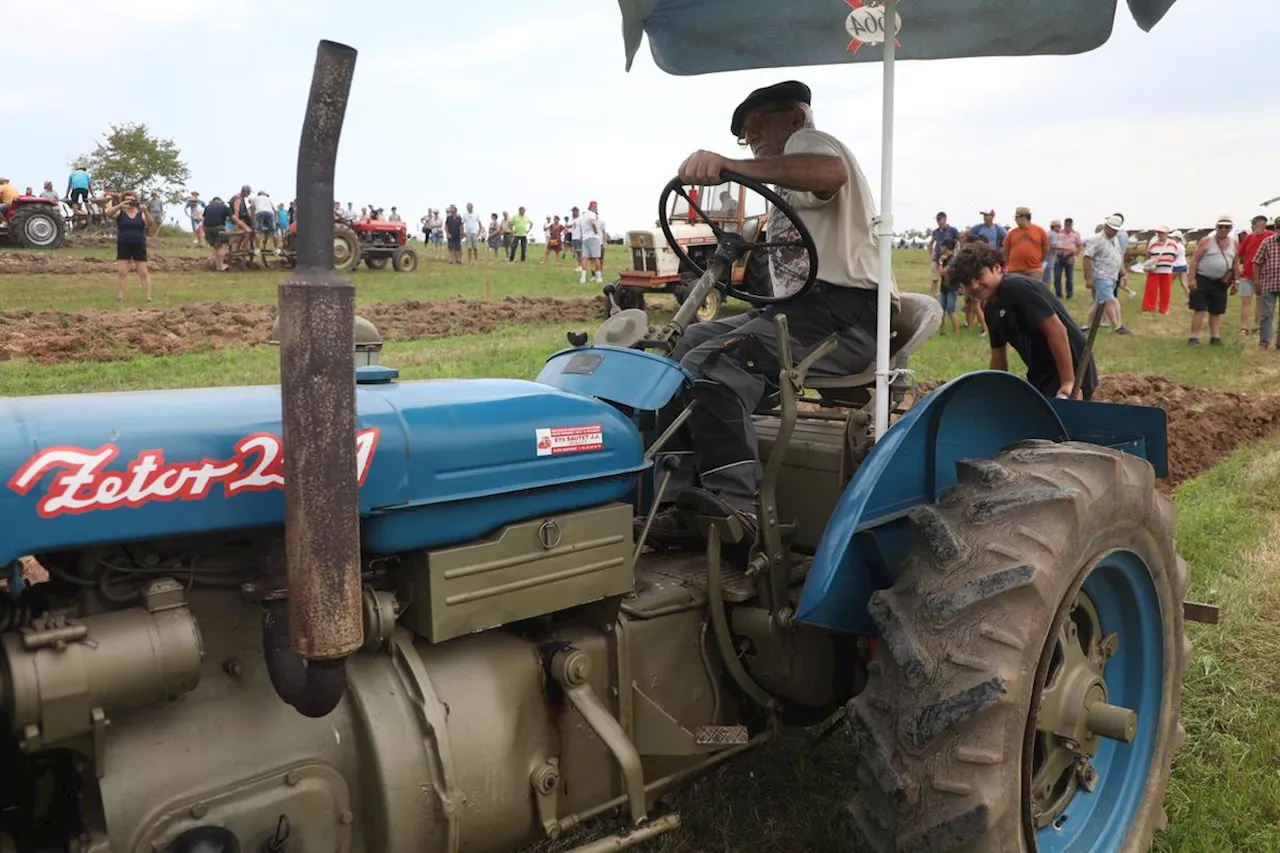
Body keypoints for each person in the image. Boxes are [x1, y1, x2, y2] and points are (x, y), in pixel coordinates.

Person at [650, 80, 888, 540]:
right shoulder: (785, 181)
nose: (752, 138)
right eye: (744, 134)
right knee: (684, 349)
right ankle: (672, 496)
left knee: (714, 364)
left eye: (760, 124)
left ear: (796, 117)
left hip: (845, 313)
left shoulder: (812, 143)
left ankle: (737, 510)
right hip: (799, 312)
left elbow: (831, 171)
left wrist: (733, 165)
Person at [949, 242, 1096, 400]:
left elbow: (1057, 330)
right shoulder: (991, 309)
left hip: (1072, 369)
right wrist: (994, 392)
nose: (975, 286)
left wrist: (1068, 381)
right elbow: (998, 356)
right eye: (967, 283)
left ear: (997, 268)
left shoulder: (1017, 287)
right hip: (1042, 373)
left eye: (979, 277)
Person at [1185, 215, 1237, 346]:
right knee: (1200, 308)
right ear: (1216, 227)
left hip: (1221, 282)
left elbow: (1235, 263)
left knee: (1216, 310)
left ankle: (1215, 337)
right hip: (1203, 278)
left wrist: (1236, 281)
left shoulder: (1234, 244)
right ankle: (1193, 337)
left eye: (1227, 227)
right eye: (1221, 227)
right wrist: (1192, 279)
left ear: (1231, 229)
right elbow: (1194, 260)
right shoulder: (1206, 241)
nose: (1223, 229)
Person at [1082, 215, 1132, 335]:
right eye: (1112, 229)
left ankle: (1085, 326)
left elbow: (1118, 256)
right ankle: (1117, 326)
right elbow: (1087, 257)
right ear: (1106, 227)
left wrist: (1123, 273)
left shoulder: (1115, 240)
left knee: (1099, 302)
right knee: (1111, 300)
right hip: (1101, 275)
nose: (1113, 232)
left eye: (1116, 230)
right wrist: (1088, 278)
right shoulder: (1096, 239)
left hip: (1112, 276)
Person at [105, 191, 154, 303]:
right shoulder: (120, 212)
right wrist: (119, 205)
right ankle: (120, 296)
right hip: (124, 243)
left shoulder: (140, 213)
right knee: (122, 271)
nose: (130, 202)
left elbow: (150, 223)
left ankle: (148, 296)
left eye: (132, 200)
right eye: (127, 200)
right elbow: (109, 214)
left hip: (139, 244)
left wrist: (145, 211)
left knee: (143, 271)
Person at [1236, 215, 1270, 336]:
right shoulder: (1249, 237)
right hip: (1247, 273)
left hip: (1264, 275)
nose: (1252, 226)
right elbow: (1239, 254)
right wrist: (1239, 266)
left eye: (1254, 224)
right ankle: (1244, 327)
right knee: (1246, 299)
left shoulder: (1271, 236)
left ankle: (1258, 325)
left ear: (1261, 224)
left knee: (1260, 300)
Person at [1252, 217, 1280, 351]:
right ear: (1275, 229)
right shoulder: (1267, 242)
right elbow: (1257, 262)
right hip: (1269, 283)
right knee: (1266, 314)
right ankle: (1264, 343)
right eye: (1279, 227)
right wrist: (1256, 281)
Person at [1002, 206, 1051, 279]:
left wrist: (1038, 261)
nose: (1015, 219)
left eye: (1017, 217)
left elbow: (1046, 249)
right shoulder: (1012, 233)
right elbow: (1006, 250)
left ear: (1025, 217)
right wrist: (1009, 263)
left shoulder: (1039, 231)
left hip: (1034, 270)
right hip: (1015, 270)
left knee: (1033, 290)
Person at [1143, 226, 1178, 315]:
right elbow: (1148, 255)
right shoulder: (1153, 244)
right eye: (1158, 232)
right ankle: (1149, 307)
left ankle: (1164, 309)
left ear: (1166, 233)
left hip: (1167, 270)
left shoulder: (1173, 244)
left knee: (1166, 291)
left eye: (1162, 232)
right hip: (1154, 270)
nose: (1160, 234)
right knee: (1151, 289)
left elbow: (1175, 255)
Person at [928, 211, 959, 297]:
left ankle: (946, 297)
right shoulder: (936, 231)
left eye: (939, 219)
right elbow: (931, 243)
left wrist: (955, 254)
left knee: (947, 280)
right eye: (937, 219)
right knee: (934, 280)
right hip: (937, 259)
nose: (938, 221)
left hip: (948, 260)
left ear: (945, 219)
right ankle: (932, 297)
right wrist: (931, 253)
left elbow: (959, 242)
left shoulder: (953, 230)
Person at [1054, 217, 1084, 299]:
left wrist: (1074, 257)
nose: (1068, 227)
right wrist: (1054, 257)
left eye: (1069, 225)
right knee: (1057, 277)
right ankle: (1058, 295)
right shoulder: (1058, 233)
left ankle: (1069, 295)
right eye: (1066, 225)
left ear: (1072, 225)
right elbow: (1053, 245)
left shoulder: (1076, 234)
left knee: (1069, 278)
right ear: (1064, 225)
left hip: (1069, 257)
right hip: (1058, 257)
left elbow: (1079, 247)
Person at [936, 238, 961, 335]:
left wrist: (940, 262)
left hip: (952, 288)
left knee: (951, 310)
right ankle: (942, 330)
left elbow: (942, 272)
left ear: (946, 247)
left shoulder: (952, 260)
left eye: (942, 246)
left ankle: (957, 332)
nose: (940, 248)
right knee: (941, 310)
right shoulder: (946, 258)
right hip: (944, 287)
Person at [202, 196, 231, 271]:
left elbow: (204, 218)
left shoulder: (207, 207)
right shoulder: (224, 207)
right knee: (220, 246)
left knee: (215, 247)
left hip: (207, 228)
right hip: (218, 227)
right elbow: (231, 218)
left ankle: (217, 265)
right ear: (220, 201)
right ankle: (221, 266)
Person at [578, 201, 603, 283]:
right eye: (595, 207)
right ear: (592, 207)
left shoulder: (583, 216)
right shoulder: (592, 214)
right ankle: (598, 278)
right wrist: (596, 232)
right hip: (593, 237)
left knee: (585, 258)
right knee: (596, 257)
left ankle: (583, 278)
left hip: (585, 238)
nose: (596, 208)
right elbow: (593, 223)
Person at [1170, 230, 1189, 295]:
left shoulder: (1176, 246)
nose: (1172, 238)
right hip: (1183, 265)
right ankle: (1191, 299)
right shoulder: (1181, 245)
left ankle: (1163, 297)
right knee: (1184, 284)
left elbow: (1174, 256)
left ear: (1177, 238)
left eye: (1173, 237)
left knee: (1168, 283)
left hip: (1177, 266)